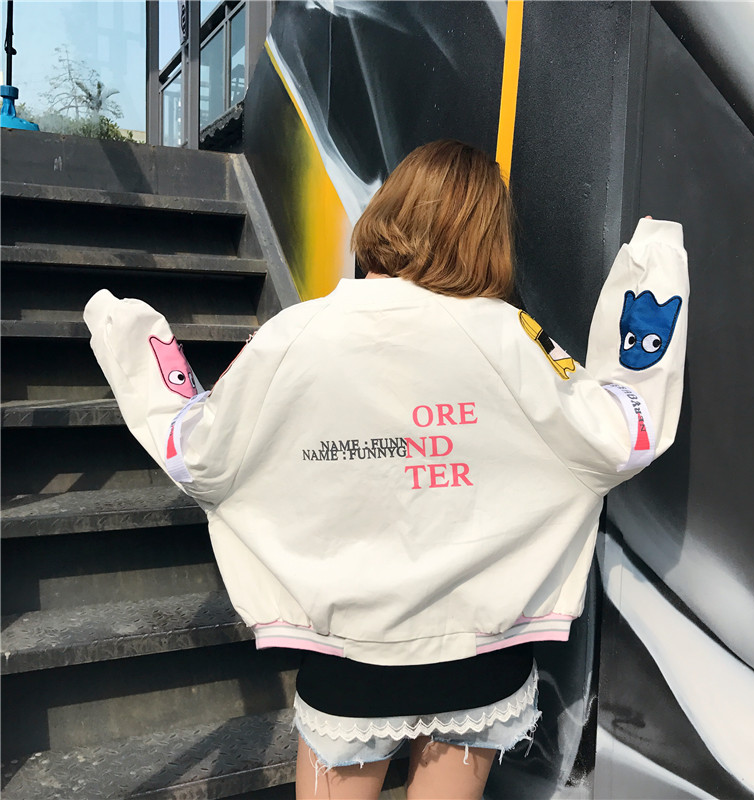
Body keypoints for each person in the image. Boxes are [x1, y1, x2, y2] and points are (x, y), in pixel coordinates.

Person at [84, 139, 689, 799]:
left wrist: (131, 344)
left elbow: (200, 453)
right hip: (481, 654)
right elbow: (616, 436)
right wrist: (652, 270)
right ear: (487, 233)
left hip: (351, 655)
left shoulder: (295, 336)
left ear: (392, 209)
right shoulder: (514, 336)